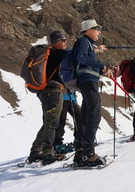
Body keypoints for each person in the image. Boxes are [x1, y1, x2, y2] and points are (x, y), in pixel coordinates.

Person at [72, 19, 112, 167]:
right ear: (88, 29)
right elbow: (81, 58)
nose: (99, 31)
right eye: (97, 28)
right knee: (93, 115)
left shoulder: (88, 44)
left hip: (88, 80)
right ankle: (88, 154)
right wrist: (101, 66)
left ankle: (81, 152)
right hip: (88, 81)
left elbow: (86, 61)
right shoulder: (83, 42)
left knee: (87, 115)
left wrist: (102, 70)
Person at [27, 31, 68, 165]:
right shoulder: (57, 53)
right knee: (52, 122)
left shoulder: (49, 54)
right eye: (63, 40)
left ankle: (35, 151)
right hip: (53, 91)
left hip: (45, 91)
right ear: (56, 42)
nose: (65, 42)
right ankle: (47, 153)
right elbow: (75, 54)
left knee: (48, 121)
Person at [53, 89, 81, 154]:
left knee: (79, 116)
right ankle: (57, 144)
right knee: (61, 120)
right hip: (62, 97)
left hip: (71, 96)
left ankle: (78, 139)